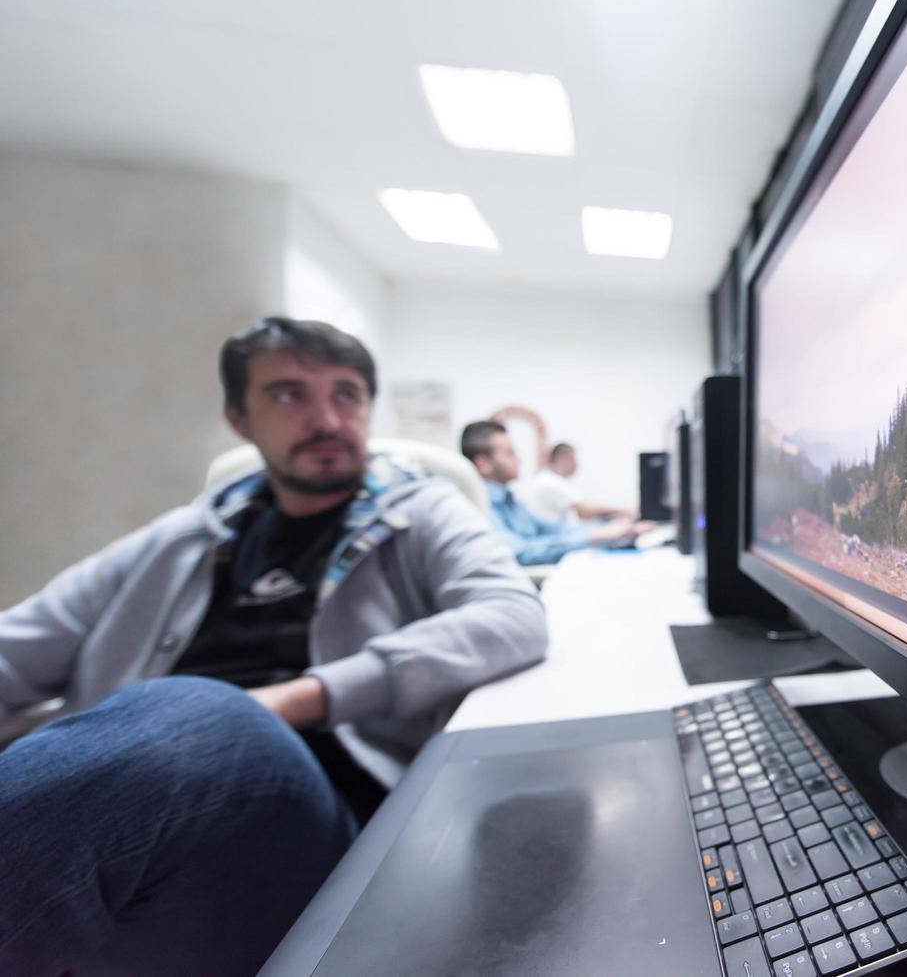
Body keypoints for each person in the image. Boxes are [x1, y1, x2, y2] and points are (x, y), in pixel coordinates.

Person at [0, 317, 548, 976]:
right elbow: (18, 649)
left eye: (346, 394)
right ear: (239, 419)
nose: (326, 418)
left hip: (317, 820)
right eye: (289, 395)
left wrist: (295, 699)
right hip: (139, 812)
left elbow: (511, 613)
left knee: (201, 714)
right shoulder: (182, 536)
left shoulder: (421, 510)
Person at [462, 421, 652, 566]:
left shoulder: (509, 499)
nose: (518, 459)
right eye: (510, 453)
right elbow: (520, 553)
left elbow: (554, 529)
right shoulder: (481, 504)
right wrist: (597, 535)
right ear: (483, 464)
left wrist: (614, 530)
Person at [521, 441, 636, 525]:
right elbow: (585, 511)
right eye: (574, 460)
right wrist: (625, 509)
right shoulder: (549, 482)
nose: (577, 465)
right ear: (563, 459)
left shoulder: (548, 479)